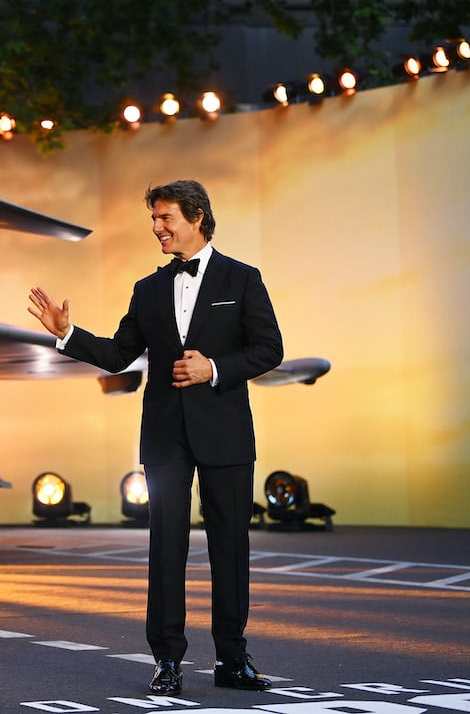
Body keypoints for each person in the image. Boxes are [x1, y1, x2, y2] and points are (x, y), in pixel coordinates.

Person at [27, 179, 283, 696]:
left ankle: (233, 660)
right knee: (166, 550)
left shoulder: (243, 279)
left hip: (227, 434)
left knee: (230, 548)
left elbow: (269, 349)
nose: (157, 228)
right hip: (166, 436)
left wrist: (215, 367)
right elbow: (120, 354)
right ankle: (167, 661)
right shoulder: (147, 289)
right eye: (154, 219)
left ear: (197, 218)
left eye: (165, 218)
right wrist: (66, 334)